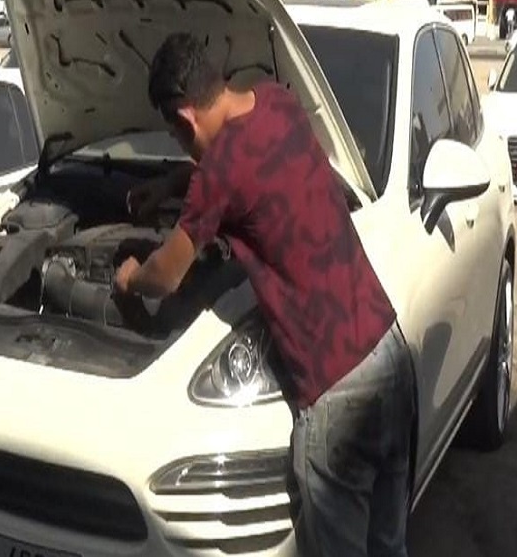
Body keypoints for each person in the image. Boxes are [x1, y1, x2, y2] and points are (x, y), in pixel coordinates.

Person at [114, 32, 415, 557]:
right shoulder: (277, 101)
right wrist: (171, 186)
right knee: (389, 547)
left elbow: (167, 275)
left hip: (336, 390)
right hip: (389, 355)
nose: (184, 149)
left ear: (185, 119)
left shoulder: (218, 176)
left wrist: (130, 276)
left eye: (178, 136)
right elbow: (244, 164)